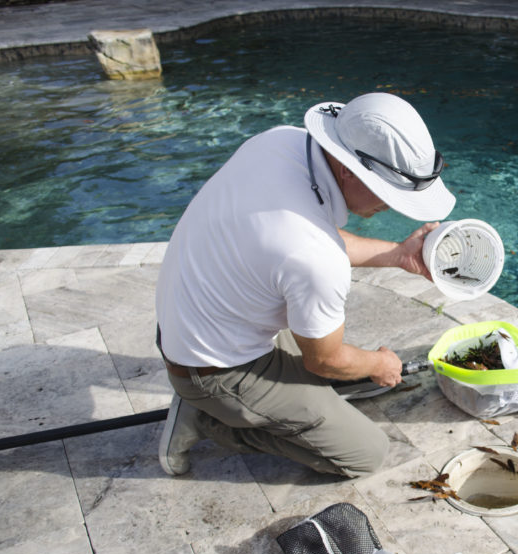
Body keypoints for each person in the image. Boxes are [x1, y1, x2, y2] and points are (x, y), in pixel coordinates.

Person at [154, 92, 455, 478]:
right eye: (390, 193)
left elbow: (302, 240)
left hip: (183, 324)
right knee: (366, 453)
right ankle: (207, 418)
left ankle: (214, 400)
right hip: (213, 369)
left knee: (337, 369)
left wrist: (398, 254)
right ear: (348, 170)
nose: (393, 206)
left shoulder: (281, 142)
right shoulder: (313, 255)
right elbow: (324, 359)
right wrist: (379, 364)